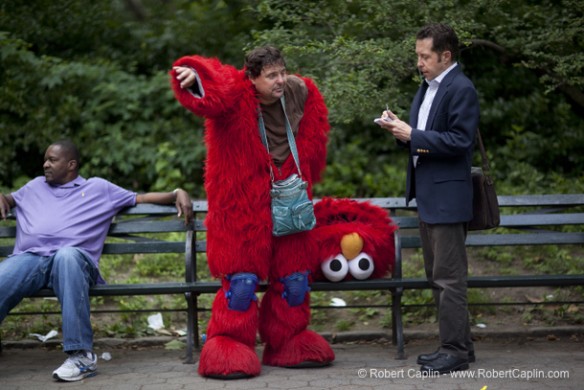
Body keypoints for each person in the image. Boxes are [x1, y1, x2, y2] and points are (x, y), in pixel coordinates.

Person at [171, 45, 333, 378]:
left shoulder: (299, 91)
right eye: (271, 75)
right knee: (241, 285)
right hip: (242, 208)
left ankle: (288, 341)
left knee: (295, 282)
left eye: (282, 72)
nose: (280, 80)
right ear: (252, 77)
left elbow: (313, 139)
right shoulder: (237, 93)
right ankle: (228, 343)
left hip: (289, 202)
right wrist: (195, 76)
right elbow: (214, 86)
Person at [0, 139, 193, 382]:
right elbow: (9, 199)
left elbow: (141, 198)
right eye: (45, 159)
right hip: (32, 259)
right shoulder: (35, 186)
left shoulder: (99, 189)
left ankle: (81, 357)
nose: (45, 164)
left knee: (67, 255)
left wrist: (177, 192)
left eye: (52, 160)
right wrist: (3, 198)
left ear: (71, 165)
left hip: (75, 262)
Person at [378, 23, 480, 374]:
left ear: (445, 56)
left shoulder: (461, 88)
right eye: (417, 55)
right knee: (437, 275)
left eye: (425, 56)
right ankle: (460, 346)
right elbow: (423, 136)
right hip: (428, 195)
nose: (419, 62)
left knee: (449, 278)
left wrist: (414, 134)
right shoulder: (427, 87)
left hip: (448, 197)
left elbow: (459, 142)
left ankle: (453, 351)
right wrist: (399, 129)